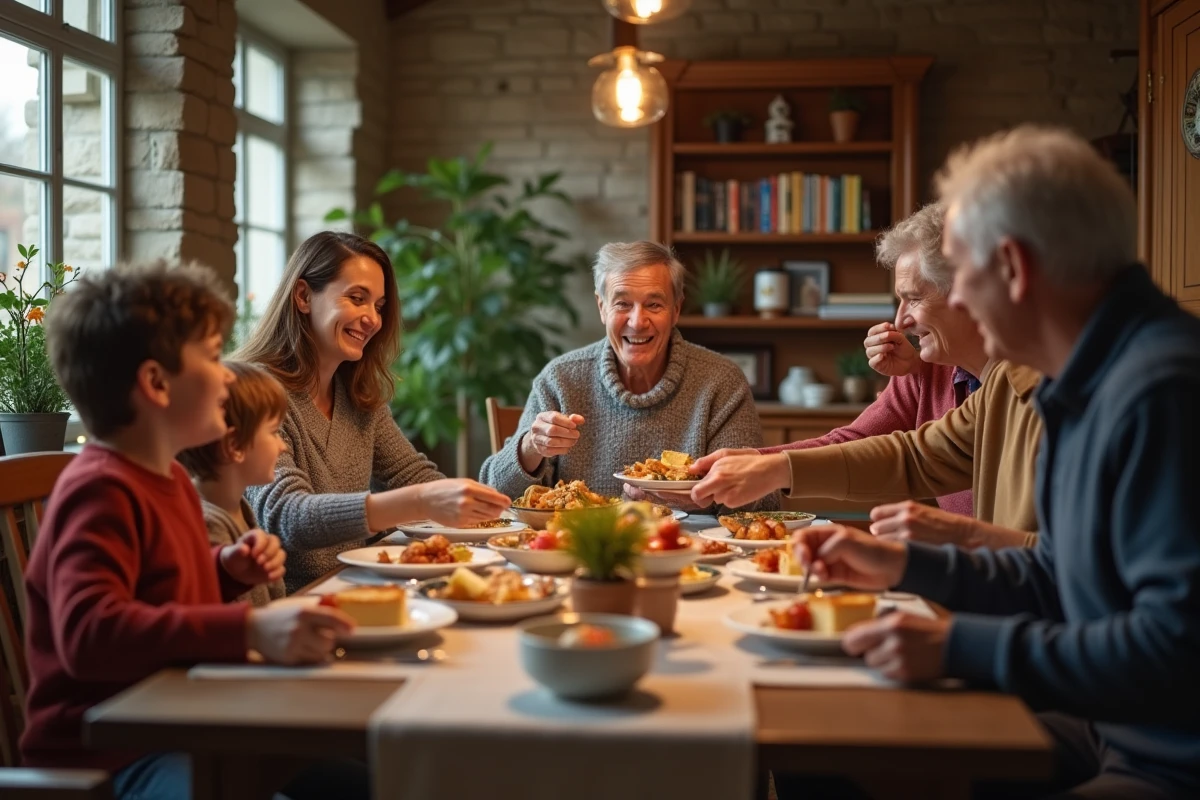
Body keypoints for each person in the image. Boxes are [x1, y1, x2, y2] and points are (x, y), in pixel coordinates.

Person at [791, 126, 1200, 799]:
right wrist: (900, 565)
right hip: (1107, 724)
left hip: (1166, 760)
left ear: (1013, 267)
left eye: (960, 274)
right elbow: (1057, 575)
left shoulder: (1161, 392)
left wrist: (958, 648)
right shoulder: (1076, 377)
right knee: (820, 750)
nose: (954, 301)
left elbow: (1174, 648)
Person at [23, 262, 362, 799]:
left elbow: (154, 586)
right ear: (156, 384)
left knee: (372, 774)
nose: (227, 374)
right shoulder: (99, 489)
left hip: (185, 717)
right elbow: (91, 633)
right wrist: (247, 630)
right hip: (114, 754)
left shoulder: (173, 480)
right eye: (211, 356)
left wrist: (224, 570)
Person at [691, 204, 1041, 549]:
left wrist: (950, 539)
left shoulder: (1036, 384)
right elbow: (911, 457)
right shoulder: (983, 380)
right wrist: (768, 465)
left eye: (914, 299)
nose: (900, 321)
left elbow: (1053, 561)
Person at [239, 232, 510, 592]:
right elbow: (288, 516)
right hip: (293, 602)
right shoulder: (254, 391)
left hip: (355, 585)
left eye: (379, 306)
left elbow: (409, 475)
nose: (373, 319)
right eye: (357, 298)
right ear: (303, 296)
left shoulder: (357, 395)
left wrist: (491, 514)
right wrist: (422, 501)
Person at [478, 240, 773, 509]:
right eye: (622, 304)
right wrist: (530, 447)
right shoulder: (560, 379)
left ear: (676, 310)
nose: (637, 321)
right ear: (602, 307)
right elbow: (493, 494)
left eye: (654, 304)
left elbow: (763, 504)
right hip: (580, 544)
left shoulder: (721, 382)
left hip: (691, 546)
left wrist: (697, 496)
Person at [178, 360, 289, 607]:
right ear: (234, 445)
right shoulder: (208, 525)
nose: (283, 446)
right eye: (274, 432)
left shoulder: (239, 508)